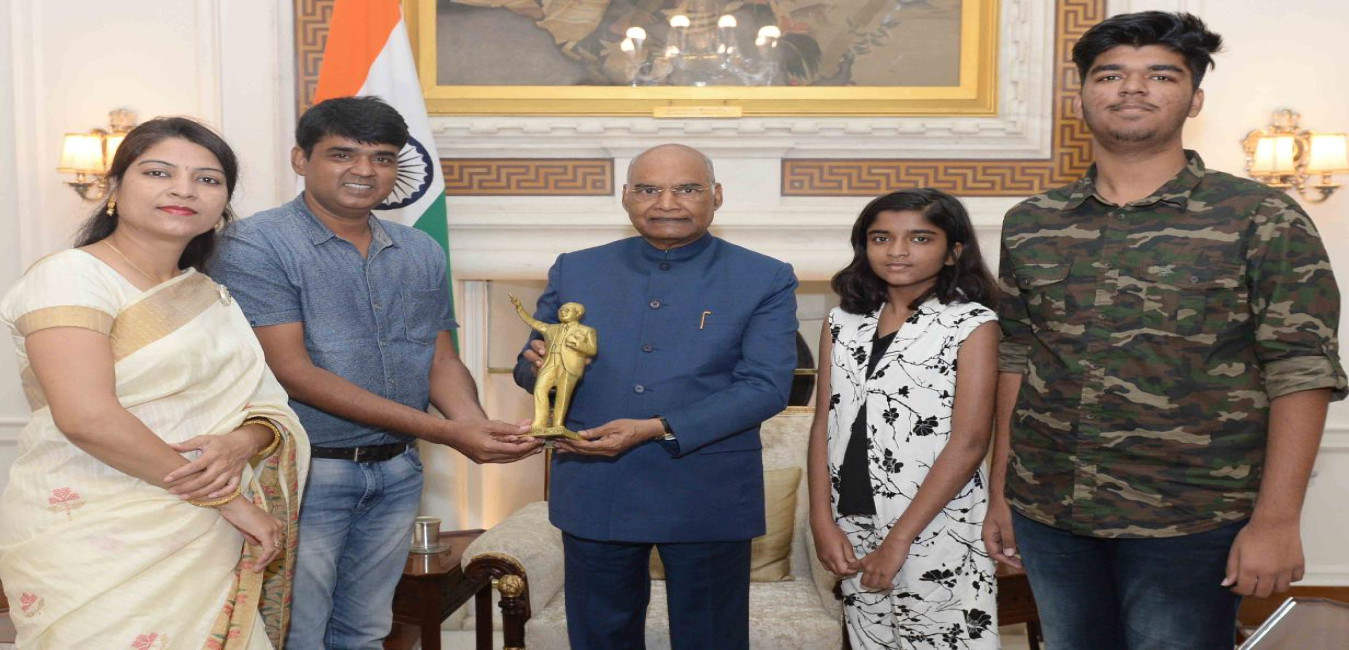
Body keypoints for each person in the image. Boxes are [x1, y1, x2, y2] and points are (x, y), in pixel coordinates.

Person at [983, 11, 1346, 649]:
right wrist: (1001, 494)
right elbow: (1018, 357)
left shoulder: (1259, 216)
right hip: (1050, 509)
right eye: (1110, 75)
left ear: (1195, 98)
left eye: (1160, 74)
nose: (1132, 87)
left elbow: (1301, 370)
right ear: (1082, 97)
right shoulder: (1033, 221)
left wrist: (1277, 520)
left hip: (1193, 515)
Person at [211, 96, 540, 649]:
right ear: (300, 159)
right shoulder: (255, 244)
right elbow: (294, 372)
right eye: (342, 154)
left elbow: (440, 358)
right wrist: (447, 433)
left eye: (383, 158)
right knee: (298, 633)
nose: (364, 170)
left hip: (397, 471)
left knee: (366, 632)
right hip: (307, 471)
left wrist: (475, 425)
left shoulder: (419, 250)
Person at [0, 117, 308, 648]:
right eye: (158, 172)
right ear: (114, 189)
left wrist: (241, 442)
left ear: (223, 205)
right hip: (94, 529)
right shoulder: (70, 276)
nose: (184, 189)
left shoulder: (210, 295)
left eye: (208, 180)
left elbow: (266, 405)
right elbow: (87, 418)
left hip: (202, 535)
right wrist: (227, 502)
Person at [512, 143, 799, 649]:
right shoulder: (576, 269)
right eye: (648, 189)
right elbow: (528, 365)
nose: (666, 203)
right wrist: (534, 366)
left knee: (711, 640)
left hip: (706, 489)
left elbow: (766, 386)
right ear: (626, 196)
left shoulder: (764, 276)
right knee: (601, 638)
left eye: (686, 189)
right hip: (596, 484)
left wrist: (657, 428)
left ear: (716, 195)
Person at [807, 190, 1000, 648]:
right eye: (881, 238)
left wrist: (898, 540)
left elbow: (970, 441)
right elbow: (823, 424)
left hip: (935, 522)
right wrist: (821, 521)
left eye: (919, 238)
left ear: (953, 251)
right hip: (851, 519)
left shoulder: (972, 324)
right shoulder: (842, 321)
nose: (897, 250)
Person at [509, 296, 598, 431]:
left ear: (578, 314)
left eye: (567, 310)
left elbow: (592, 349)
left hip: (569, 366)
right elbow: (532, 322)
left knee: (563, 395)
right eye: (561, 309)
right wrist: (519, 308)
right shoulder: (550, 328)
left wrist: (577, 344)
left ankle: (558, 425)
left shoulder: (586, 330)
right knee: (540, 389)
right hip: (549, 364)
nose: (563, 311)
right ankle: (539, 422)